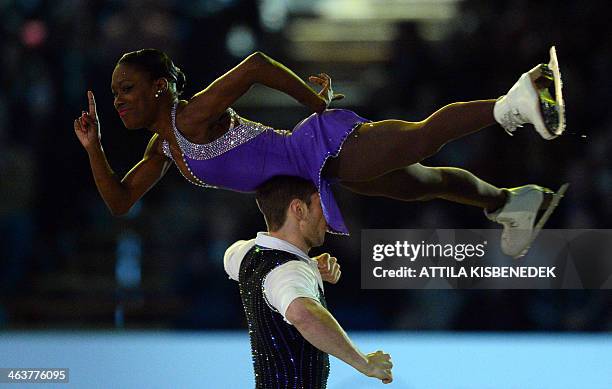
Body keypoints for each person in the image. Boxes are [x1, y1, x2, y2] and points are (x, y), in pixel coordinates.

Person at [74, 46, 567, 258]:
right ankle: (511, 204)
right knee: (424, 184)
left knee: (420, 137)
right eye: (115, 93)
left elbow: (256, 66)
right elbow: (119, 202)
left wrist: (316, 102)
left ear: (160, 87)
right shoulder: (163, 146)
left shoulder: (191, 115)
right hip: (320, 170)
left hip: (318, 149)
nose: (119, 100)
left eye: (128, 89)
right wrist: (95, 148)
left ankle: (514, 102)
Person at [223, 175, 393, 387]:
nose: (329, 219)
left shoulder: (245, 253)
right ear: (299, 210)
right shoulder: (290, 271)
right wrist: (365, 363)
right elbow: (302, 313)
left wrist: (310, 265)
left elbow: (230, 256)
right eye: (322, 206)